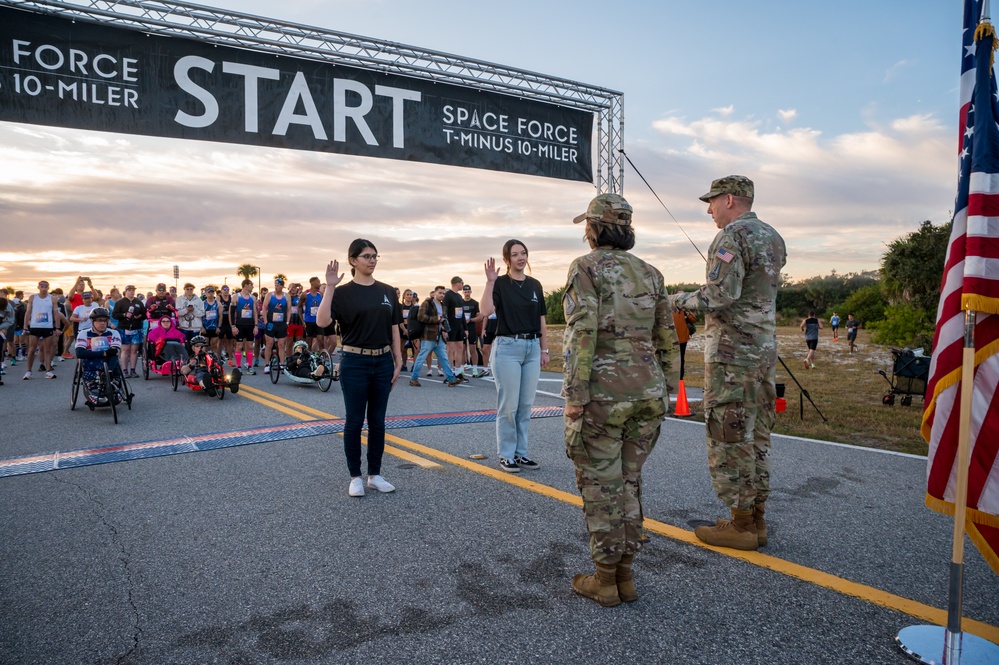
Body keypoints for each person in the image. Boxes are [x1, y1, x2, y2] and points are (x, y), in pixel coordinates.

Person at [562, 193, 679, 607]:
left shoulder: (586, 268)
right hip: (647, 394)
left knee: (601, 488)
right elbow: (669, 337)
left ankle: (606, 580)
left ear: (594, 229)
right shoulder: (651, 272)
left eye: (586, 227)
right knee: (629, 484)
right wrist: (667, 388)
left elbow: (581, 333)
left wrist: (575, 396)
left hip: (603, 397)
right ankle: (625, 576)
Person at [671, 175, 787, 551]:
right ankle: (756, 519)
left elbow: (721, 295)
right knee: (757, 432)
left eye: (713, 201)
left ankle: (740, 524)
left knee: (729, 431)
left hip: (732, 354)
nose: (709, 209)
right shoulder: (772, 237)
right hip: (763, 351)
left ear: (731, 200)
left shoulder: (730, 238)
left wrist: (680, 300)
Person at [317, 239, 404, 497]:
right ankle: (355, 476)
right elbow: (322, 320)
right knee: (354, 421)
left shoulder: (388, 292)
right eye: (366, 256)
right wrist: (330, 288)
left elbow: (394, 328)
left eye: (375, 256)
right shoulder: (342, 293)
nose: (372, 260)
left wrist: (398, 359)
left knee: (377, 421)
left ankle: (374, 474)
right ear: (353, 260)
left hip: (383, 362)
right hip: (355, 361)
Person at [478, 239, 549, 473]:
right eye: (515, 254)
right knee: (509, 405)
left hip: (531, 348)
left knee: (526, 405)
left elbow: (542, 320)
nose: (521, 257)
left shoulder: (535, 285)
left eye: (524, 253)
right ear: (507, 260)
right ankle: (506, 455)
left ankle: (521, 453)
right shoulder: (499, 283)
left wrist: (544, 349)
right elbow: (486, 311)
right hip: (507, 347)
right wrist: (489, 283)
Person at [408, 286, 461, 387]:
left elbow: (444, 319)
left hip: (439, 336)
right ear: (435, 293)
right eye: (440, 293)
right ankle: (413, 379)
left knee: (443, 358)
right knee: (421, 357)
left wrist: (445, 330)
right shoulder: (427, 303)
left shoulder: (443, 306)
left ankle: (451, 379)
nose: (442, 295)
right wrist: (436, 318)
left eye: (443, 293)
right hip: (428, 336)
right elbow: (421, 317)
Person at [74, 307, 123, 404]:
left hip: (109, 363)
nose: (103, 323)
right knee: (89, 358)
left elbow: (115, 351)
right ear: (92, 320)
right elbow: (79, 353)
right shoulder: (84, 333)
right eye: (99, 320)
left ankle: (113, 378)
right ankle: (91, 384)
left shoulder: (114, 333)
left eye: (105, 320)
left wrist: (109, 370)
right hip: (91, 364)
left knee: (114, 354)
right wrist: (103, 353)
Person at [22, 280, 68, 379]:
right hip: (35, 326)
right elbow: (28, 312)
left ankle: (48, 371)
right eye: (41, 286)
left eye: (45, 286)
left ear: (48, 287)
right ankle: (29, 371)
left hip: (48, 326)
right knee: (31, 349)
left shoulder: (52, 298)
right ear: (38, 287)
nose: (43, 288)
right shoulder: (33, 297)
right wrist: (25, 327)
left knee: (48, 349)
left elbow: (56, 313)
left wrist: (57, 328)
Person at [111, 285, 146, 378]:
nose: (131, 292)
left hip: (136, 328)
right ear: (125, 292)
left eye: (133, 290)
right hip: (124, 328)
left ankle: (133, 370)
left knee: (134, 350)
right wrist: (124, 314)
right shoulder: (120, 302)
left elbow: (144, 314)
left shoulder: (139, 302)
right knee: (125, 350)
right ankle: (125, 370)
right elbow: (114, 315)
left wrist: (139, 316)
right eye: (129, 290)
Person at [262, 278, 290, 374]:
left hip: (282, 323)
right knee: (269, 344)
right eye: (275, 285)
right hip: (271, 323)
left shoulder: (286, 296)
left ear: (282, 286)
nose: (276, 287)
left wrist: (287, 322)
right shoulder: (269, 295)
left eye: (278, 285)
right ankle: (267, 364)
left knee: (281, 345)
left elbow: (289, 310)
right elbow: (264, 307)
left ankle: (282, 364)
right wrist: (265, 321)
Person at [230, 279, 258, 374]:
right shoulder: (235, 297)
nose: (252, 286)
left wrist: (256, 325)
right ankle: (238, 367)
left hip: (250, 325)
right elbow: (231, 312)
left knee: (250, 346)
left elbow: (255, 312)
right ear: (246, 285)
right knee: (239, 345)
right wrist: (233, 326)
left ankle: (250, 366)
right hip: (239, 325)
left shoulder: (253, 298)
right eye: (251, 285)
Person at [443, 277, 468, 380]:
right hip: (451, 327)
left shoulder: (459, 296)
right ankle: (450, 373)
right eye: (462, 283)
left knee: (460, 348)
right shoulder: (448, 295)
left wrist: (465, 328)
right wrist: (445, 329)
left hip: (460, 327)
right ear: (457, 283)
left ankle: (458, 372)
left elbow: (461, 314)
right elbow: (444, 312)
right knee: (450, 350)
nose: (462, 285)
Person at [672, 303, 697, 381]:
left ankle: (680, 378)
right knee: (670, 358)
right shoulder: (669, 309)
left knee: (681, 358)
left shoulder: (684, 311)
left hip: (682, 338)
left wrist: (687, 312)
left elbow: (693, 319)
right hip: (671, 338)